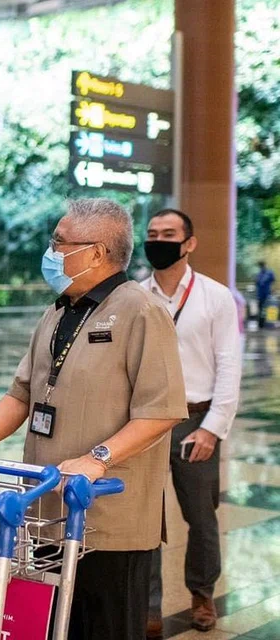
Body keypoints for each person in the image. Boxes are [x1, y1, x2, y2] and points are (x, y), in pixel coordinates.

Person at [0, 198, 187, 640]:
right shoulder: (59, 309)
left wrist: (98, 458)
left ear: (96, 252)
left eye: (59, 242)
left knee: (106, 629)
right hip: (48, 511)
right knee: (56, 626)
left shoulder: (141, 311)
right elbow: (22, 393)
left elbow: (162, 410)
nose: (51, 251)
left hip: (107, 519)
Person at [141, 209, 242, 636]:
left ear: (189, 243)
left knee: (201, 518)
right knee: (145, 517)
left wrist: (212, 428)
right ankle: (148, 606)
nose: (158, 241)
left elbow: (229, 365)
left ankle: (202, 594)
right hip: (145, 423)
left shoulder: (216, 297)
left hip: (196, 419)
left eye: (169, 234)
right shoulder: (135, 295)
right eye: (152, 234)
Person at [255, 261, 274, 328]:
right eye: (261, 266)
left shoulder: (269, 273)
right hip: (261, 295)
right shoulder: (259, 274)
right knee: (261, 309)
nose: (263, 267)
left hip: (267, 294)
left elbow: (272, 281)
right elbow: (257, 283)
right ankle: (261, 324)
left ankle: (265, 323)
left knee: (266, 309)